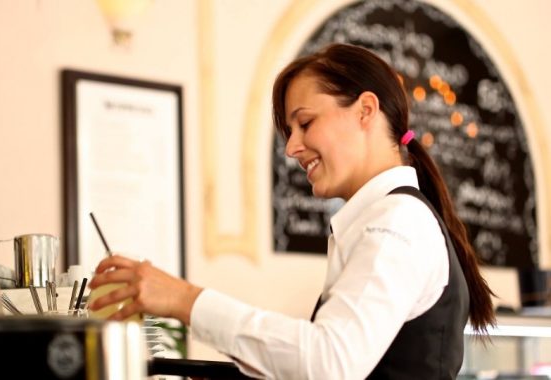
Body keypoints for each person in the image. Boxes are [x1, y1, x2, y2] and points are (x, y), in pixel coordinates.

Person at [88, 43, 496, 379]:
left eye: (305, 123)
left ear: (366, 110)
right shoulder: (382, 221)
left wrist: (185, 300)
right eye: (289, 131)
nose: (291, 148)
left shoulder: (397, 222)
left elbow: (329, 361)